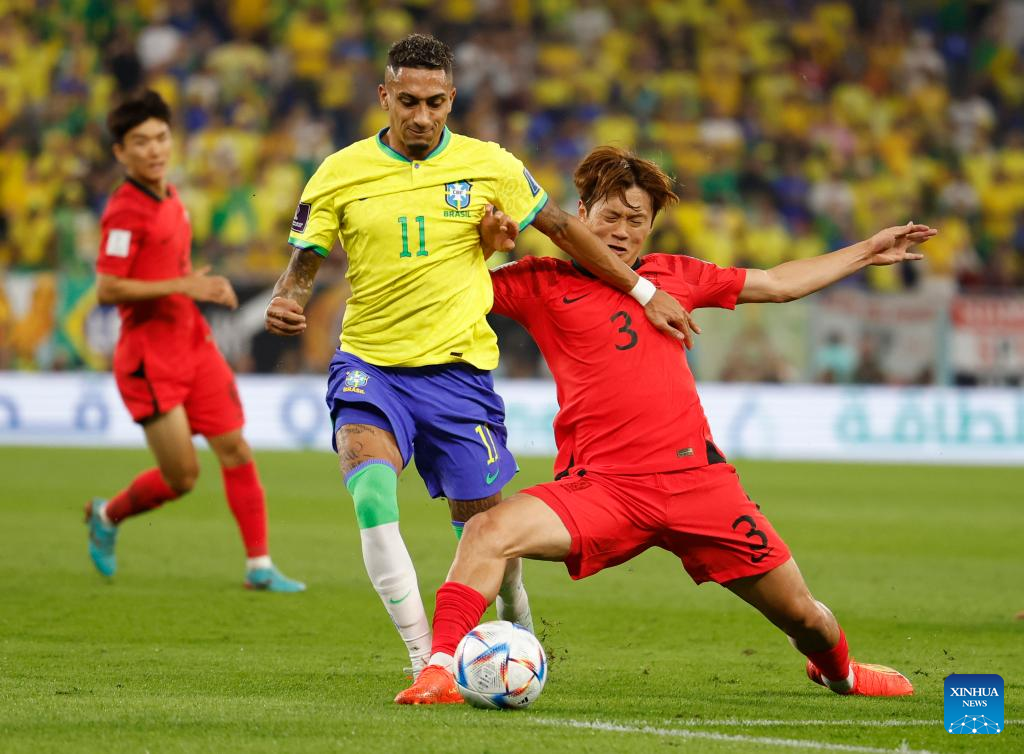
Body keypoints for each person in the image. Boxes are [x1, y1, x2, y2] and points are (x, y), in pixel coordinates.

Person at [396, 145, 937, 703]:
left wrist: (866, 251)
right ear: (580, 214)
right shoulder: (541, 282)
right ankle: (439, 669)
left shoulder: (674, 274)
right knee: (486, 532)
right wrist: (483, 246)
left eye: (637, 221)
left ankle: (841, 674)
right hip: (605, 490)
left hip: (700, 487)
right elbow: (448, 291)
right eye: (610, 216)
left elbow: (777, 282)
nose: (622, 231)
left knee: (806, 618)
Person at [264, 35, 696, 677]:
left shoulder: (490, 164)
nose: (421, 115)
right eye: (408, 101)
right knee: (373, 496)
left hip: (459, 375)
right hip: (370, 366)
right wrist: (287, 299)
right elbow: (305, 261)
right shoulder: (339, 172)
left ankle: (517, 624)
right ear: (384, 97)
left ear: (451, 99)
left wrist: (642, 289)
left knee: (485, 530)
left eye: (435, 102)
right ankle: (426, 660)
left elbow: (562, 229)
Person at [85, 91, 304, 593]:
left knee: (236, 448)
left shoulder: (171, 195)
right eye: (141, 142)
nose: (155, 149)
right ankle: (107, 515)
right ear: (120, 152)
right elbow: (108, 288)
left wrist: (194, 283)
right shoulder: (123, 211)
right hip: (150, 358)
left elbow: (170, 268)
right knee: (182, 477)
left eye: (161, 137)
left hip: (194, 345)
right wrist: (183, 286)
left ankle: (259, 565)